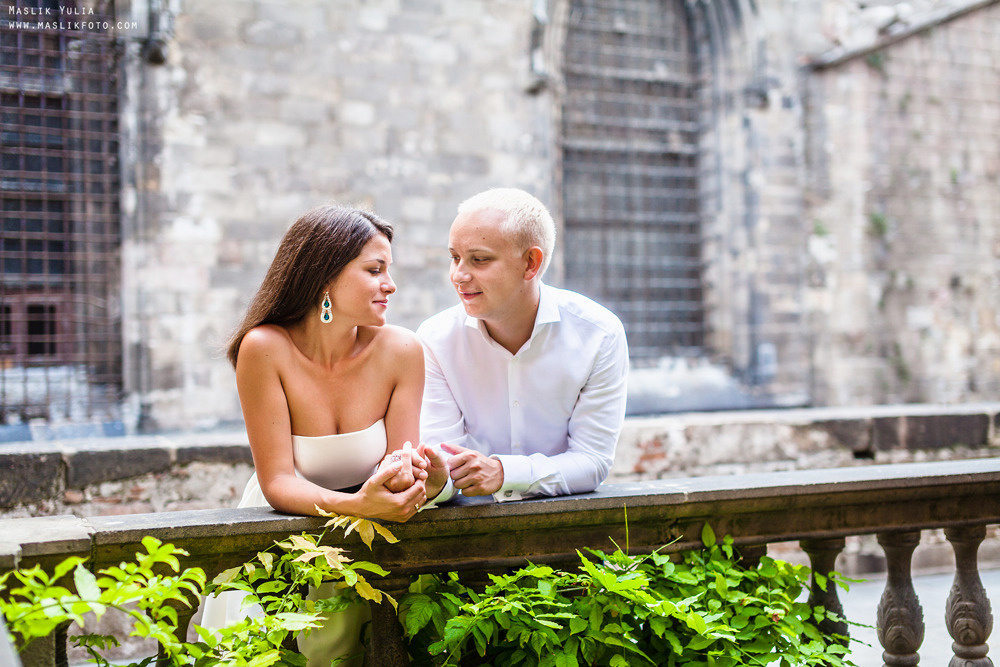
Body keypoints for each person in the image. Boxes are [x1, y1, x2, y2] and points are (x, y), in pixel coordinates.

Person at [201, 204, 447, 666]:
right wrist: (358, 506)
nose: (390, 284)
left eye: (388, 270)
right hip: (277, 549)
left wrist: (422, 481)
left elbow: (399, 466)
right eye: (375, 270)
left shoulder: (401, 351)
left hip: (366, 554)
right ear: (325, 277)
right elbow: (277, 482)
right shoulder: (265, 349)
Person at [417, 188, 629, 504]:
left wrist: (504, 473)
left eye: (479, 259)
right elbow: (442, 463)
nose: (458, 275)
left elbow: (592, 461)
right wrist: (431, 479)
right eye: (455, 257)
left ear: (530, 263)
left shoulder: (599, 334)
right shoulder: (435, 339)